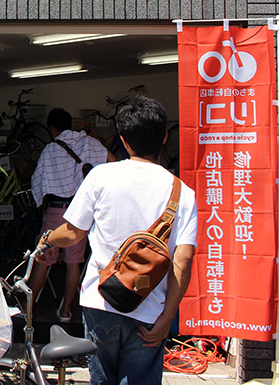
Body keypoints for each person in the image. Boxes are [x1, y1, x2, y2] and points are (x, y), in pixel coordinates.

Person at [33, 96, 198, 385]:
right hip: (150, 309)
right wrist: (166, 320)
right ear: (165, 137)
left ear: (122, 139)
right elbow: (182, 262)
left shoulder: (102, 177)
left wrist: (47, 238)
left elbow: (72, 232)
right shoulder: (182, 192)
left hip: (102, 304)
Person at [29, 108, 115, 322]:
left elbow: (37, 181)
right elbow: (113, 163)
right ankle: (66, 311)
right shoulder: (91, 144)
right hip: (81, 212)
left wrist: (40, 203)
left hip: (57, 210)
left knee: (43, 258)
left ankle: (26, 309)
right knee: (73, 262)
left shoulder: (50, 149)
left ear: (52, 128)